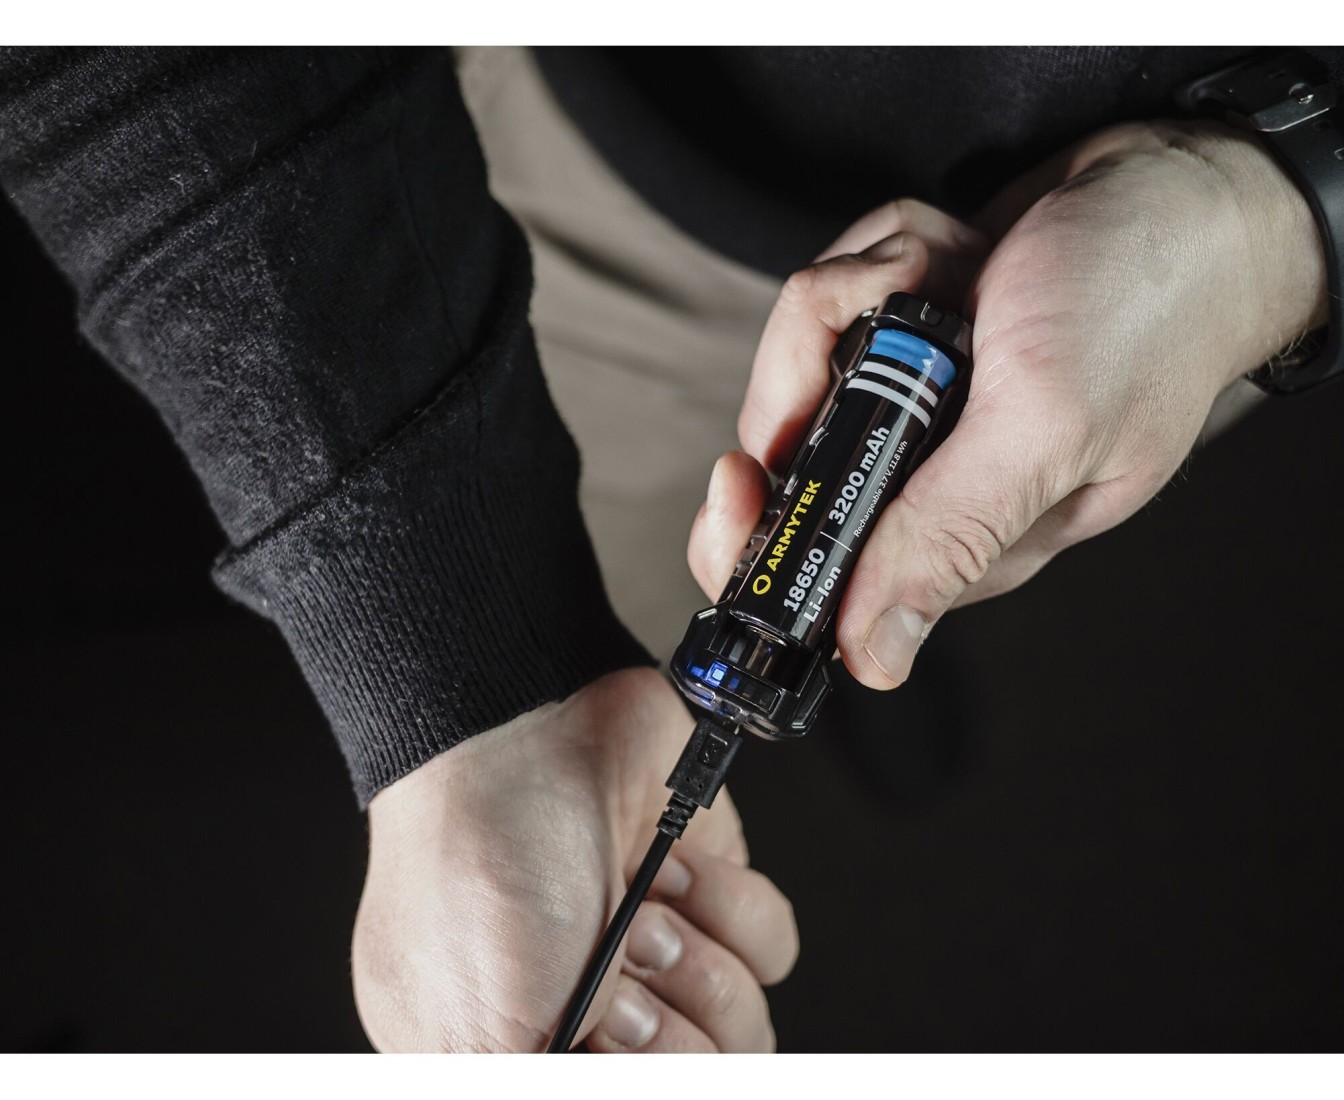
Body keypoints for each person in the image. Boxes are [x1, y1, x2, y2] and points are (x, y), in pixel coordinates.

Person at [0, 46, 1333, 1053]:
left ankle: (865, 632)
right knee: (648, 554)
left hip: (1170, 289)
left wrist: (1280, 216)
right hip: (638, 184)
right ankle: (857, 634)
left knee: (859, 558)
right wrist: (468, 690)